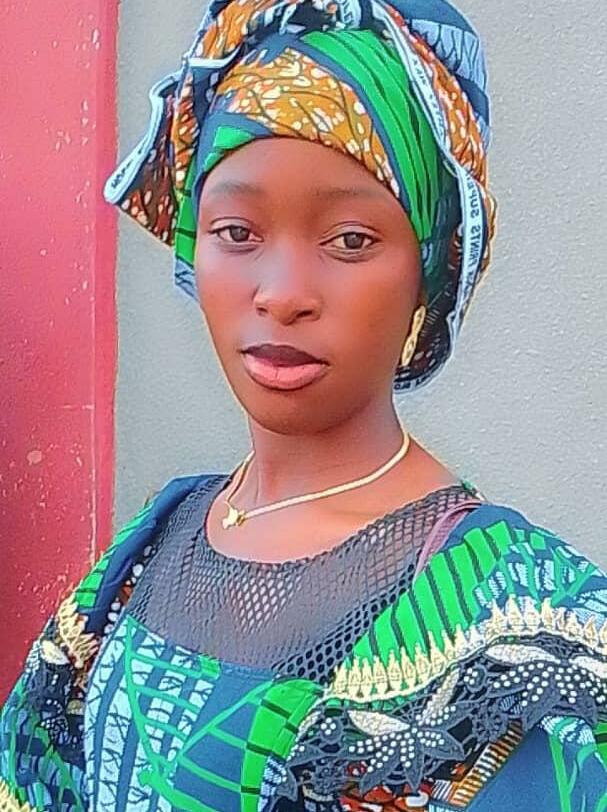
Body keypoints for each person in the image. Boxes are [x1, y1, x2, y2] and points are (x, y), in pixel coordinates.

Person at [1, 0, 606, 810]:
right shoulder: (151, 548)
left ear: (429, 270)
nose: (281, 294)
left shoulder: (524, 625)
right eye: (236, 232)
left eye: (349, 240)